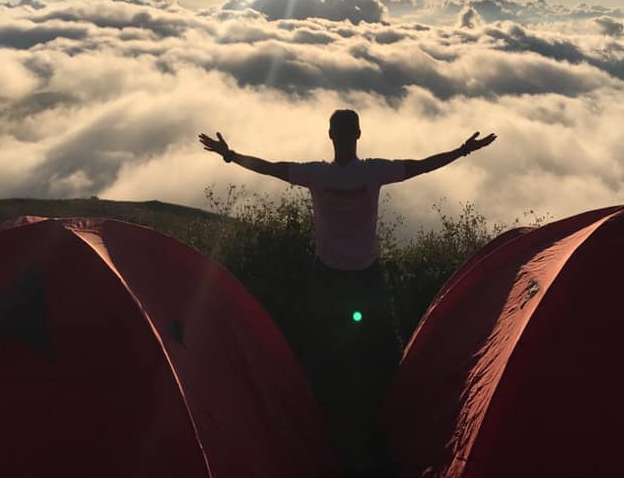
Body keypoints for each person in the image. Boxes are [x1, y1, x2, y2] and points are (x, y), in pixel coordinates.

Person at [199, 110, 496, 475]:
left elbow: (270, 167)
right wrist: (462, 151)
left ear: (330, 135)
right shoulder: (372, 172)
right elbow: (421, 166)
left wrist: (230, 155)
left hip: (327, 277)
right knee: (383, 351)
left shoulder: (317, 174)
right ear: (358, 133)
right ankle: (387, 425)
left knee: (321, 348)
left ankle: (317, 425)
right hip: (366, 276)